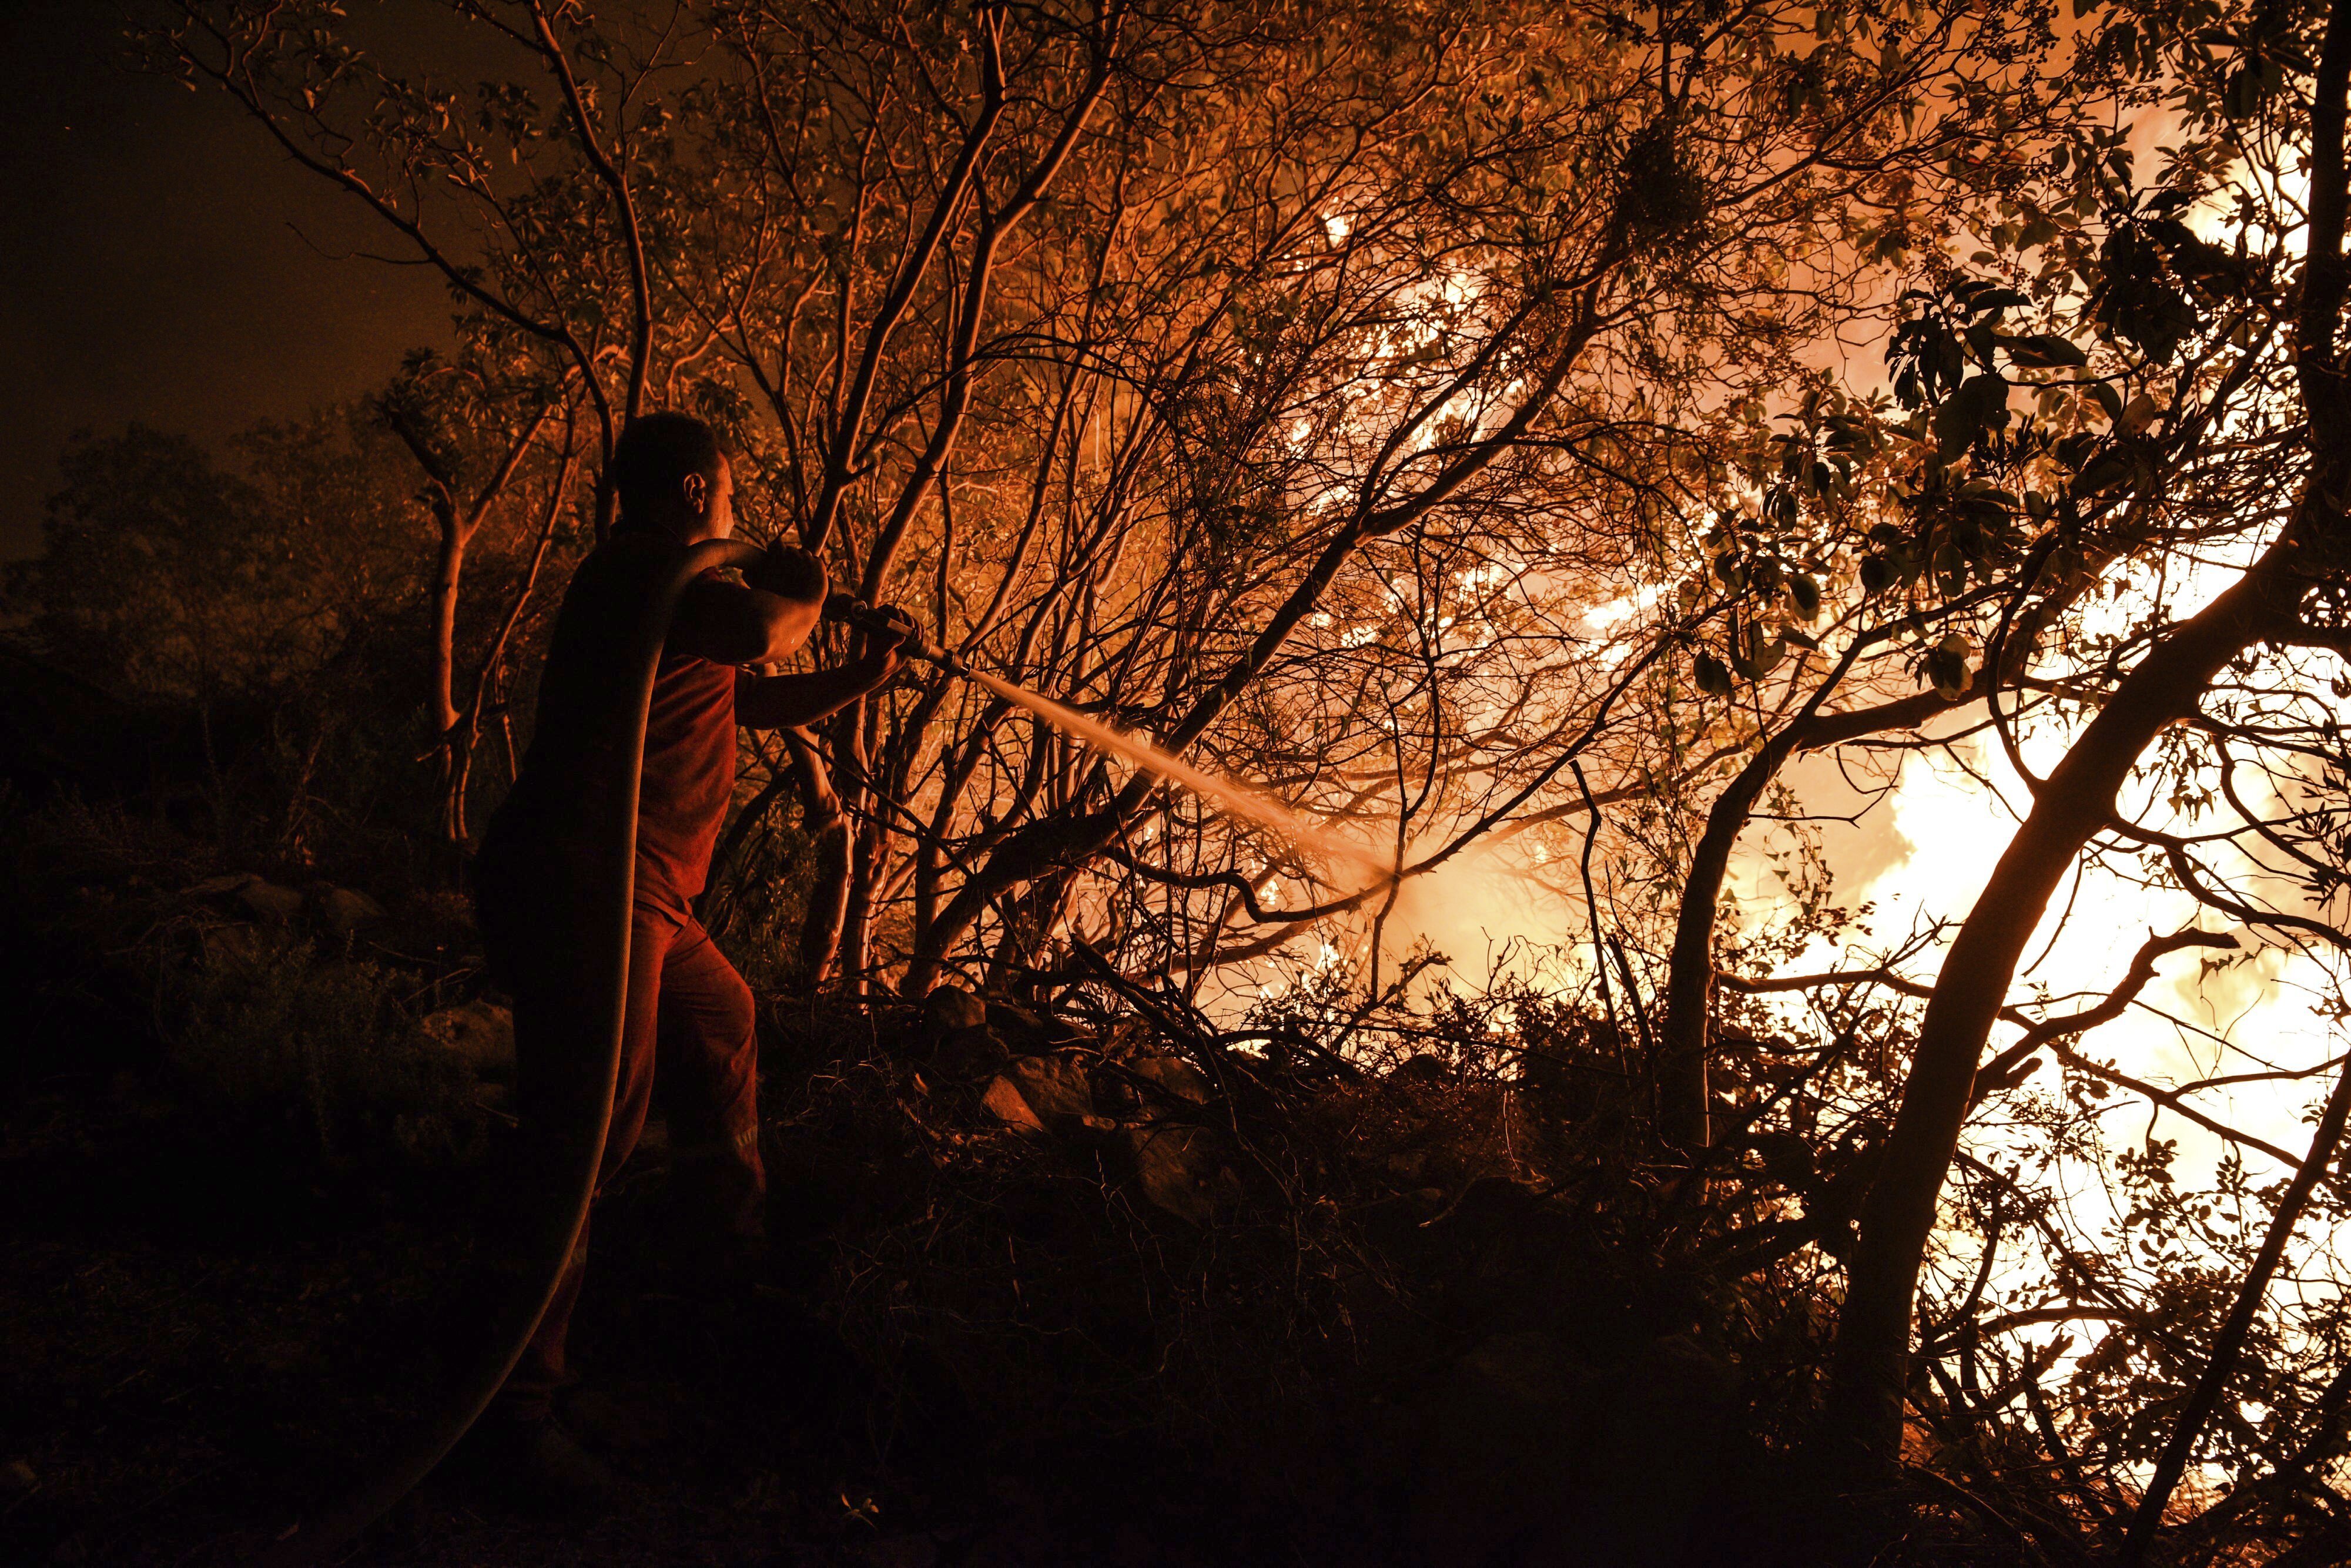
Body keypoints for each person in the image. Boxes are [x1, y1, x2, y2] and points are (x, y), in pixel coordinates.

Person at [465, 412, 902, 1506]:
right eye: (733, 495)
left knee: (723, 1025)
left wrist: (864, 675)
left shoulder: (675, 597)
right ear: (700, 487)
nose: (736, 510)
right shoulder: (644, 574)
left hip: (648, 891)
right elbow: (761, 634)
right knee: (583, 1137)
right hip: (593, 885)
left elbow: (743, 694)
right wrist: (798, 570)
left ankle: (714, 1282)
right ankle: (513, 1412)